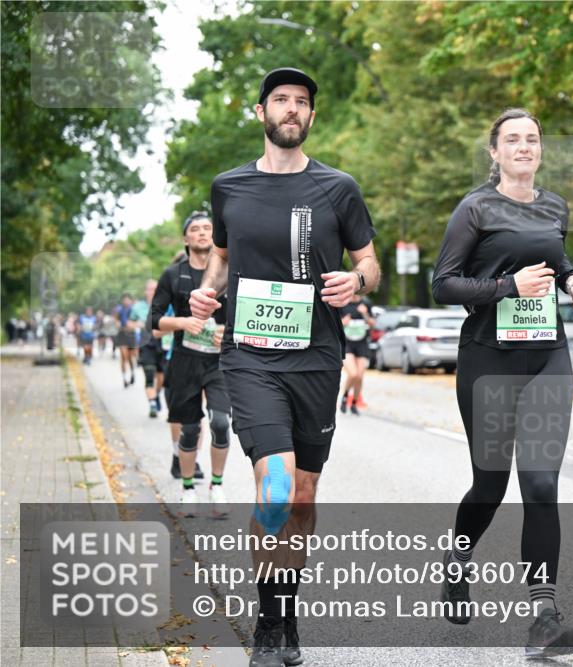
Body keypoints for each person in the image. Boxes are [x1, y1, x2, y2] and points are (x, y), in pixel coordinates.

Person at [188, 67, 380, 667]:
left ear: (311, 116)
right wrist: (207, 291)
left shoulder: (339, 188)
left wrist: (356, 281)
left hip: (318, 357)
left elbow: (370, 262)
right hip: (249, 356)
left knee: (302, 495)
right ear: (261, 112)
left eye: (301, 102)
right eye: (280, 100)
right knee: (274, 487)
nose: (291, 109)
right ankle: (268, 628)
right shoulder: (229, 187)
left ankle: (286, 613)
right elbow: (221, 259)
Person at [431, 108, 573, 658]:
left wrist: (572, 281)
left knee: (541, 484)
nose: (524, 147)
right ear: (495, 152)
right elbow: (443, 284)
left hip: (547, 355)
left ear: (541, 150)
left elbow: (555, 258)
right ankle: (458, 558)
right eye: (513, 140)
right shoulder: (475, 208)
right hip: (488, 360)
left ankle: (544, 615)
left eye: (533, 139)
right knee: (490, 485)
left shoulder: (555, 206)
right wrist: (507, 286)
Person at [151, 212, 232, 516]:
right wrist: (183, 322)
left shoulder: (231, 272)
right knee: (189, 430)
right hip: (185, 361)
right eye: (195, 229)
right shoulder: (173, 275)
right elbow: (154, 321)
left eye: (207, 228)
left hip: (219, 361)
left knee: (221, 423)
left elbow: (246, 314)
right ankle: (187, 489)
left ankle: (217, 486)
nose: (202, 232)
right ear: (185, 238)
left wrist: (227, 332)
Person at [339, 294, 375, 415]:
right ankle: (345, 397)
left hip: (362, 344)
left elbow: (373, 324)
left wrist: (365, 314)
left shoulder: (366, 303)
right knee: (353, 374)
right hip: (347, 344)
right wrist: (343, 322)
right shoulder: (343, 303)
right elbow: (334, 324)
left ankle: (354, 403)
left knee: (359, 376)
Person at [136, 279, 167, 418]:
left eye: (155, 289)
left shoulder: (165, 305)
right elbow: (129, 323)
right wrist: (137, 324)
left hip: (161, 345)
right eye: (150, 289)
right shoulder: (138, 307)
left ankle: (156, 394)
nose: (153, 291)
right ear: (146, 291)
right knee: (149, 376)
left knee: (161, 378)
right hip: (146, 345)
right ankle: (152, 404)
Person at [114, 294, 139, 386]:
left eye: (128, 300)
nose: (126, 301)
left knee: (129, 358)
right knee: (123, 356)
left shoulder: (134, 310)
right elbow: (116, 320)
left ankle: (132, 373)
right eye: (125, 300)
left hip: (131, 335)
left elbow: (139, 321)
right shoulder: (119, 310)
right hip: (122, 334)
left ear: (131, 301)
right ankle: (124, 379)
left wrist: (133, 325)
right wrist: (117, 323)